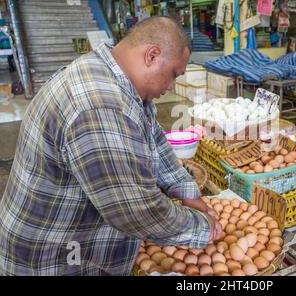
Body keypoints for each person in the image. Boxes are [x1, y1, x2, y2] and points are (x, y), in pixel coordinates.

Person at [0, 17, 222, 276]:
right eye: (173, 74)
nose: (171, 86)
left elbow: (156, 142)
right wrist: (202, 228)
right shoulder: (100, 103)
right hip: (52, 259)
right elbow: (135, 211)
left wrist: (187, 192)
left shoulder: (118, 80)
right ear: (151, 55)